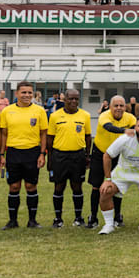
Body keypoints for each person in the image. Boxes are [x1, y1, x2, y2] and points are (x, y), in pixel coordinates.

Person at [0, 81, 48, 229]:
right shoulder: (7, 111)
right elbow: (3, 134)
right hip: (13, 152)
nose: (27, 95)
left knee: (31, 186)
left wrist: (42, 154)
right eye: (24, 92)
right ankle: (12, 221)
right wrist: (1, 154)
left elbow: (43, 134)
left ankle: (32, 221)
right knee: (14, 186)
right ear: (17, 93)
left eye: (29, 93)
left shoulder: (39, 111)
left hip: (32, 152)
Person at [86, 95, 136, 228]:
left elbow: (137, 130)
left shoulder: (130, 118)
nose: (119, 108)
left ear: (125, 107)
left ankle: (117, 217)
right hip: (100, 152)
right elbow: (109, 127)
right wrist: (125, 131)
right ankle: (93, 217)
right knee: (96, 186)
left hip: (118, 155)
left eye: (121, 105)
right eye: (116, 105)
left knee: (117, 186)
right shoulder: (104, 115)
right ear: (110, 106)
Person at [46, 89, 91, 229]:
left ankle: (78, 218)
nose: (73, 101)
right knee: (59, 186)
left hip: (78, 156)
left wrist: (87, 156)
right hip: (60, 156)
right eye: (71, 99)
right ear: (64, 99)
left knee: (77, 186)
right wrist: (50, 158)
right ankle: (58, 219)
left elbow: (88, 137)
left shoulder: (85, 115)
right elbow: (50, 138)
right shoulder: (55, 116)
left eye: (76, 99)